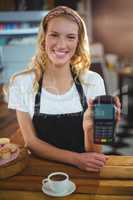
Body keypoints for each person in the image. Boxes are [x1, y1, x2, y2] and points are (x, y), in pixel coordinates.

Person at [7, 6, 121, 172]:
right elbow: (31, 142)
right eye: (54, 35)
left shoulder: (92, 81)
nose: (62, 44)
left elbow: (95, 154)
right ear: (43, 38)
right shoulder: (22, 82)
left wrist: (88, 129)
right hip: (39, 172)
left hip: (83, 171)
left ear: (77, 41)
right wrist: (75, 159)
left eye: (70, 37)